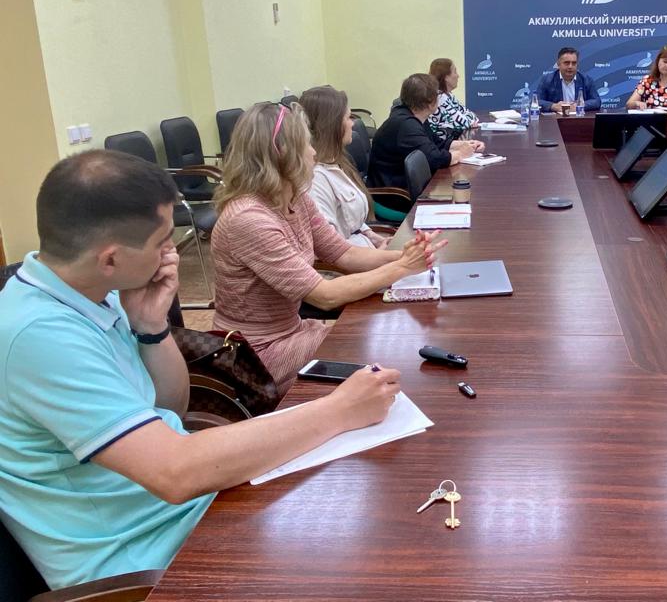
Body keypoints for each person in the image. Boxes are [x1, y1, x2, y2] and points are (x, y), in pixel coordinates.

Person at [0, 150, 403, 590]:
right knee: (364, 559)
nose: (171, 253)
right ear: (110, 258)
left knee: (362, 499)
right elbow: (174, 473)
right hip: (145, 558)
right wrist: (339, 410)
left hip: (186, 507)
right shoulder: (40, 335)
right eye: (162, 243)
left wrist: (151, 328)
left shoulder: (95, 289)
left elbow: (171, 408)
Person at [212, 102, 446, 388]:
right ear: (283, 153)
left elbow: (343, 253)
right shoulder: (249, 219)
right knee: (377, 344)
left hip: (292, 333)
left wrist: (404, 255)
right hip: (255, 355)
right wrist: (402, 267)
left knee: (381, 339)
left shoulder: (294, 197)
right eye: (306, 145)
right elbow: (325, 296)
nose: (313, 152)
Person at [301, 85, 390, 249]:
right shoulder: (315, 180)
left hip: (367, 252)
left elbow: (349, 218)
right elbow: (330, 249)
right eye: (348, 118)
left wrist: (371, 235)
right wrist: (381, 256)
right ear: (333, 125)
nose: (353, 124)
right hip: (358, 261)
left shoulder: (337, 162)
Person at [368, 73, 484, 190]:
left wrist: (466, 144)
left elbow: (436, 142)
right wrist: (461, 154)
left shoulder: (417, 116)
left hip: (406, 186)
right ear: (430, 102)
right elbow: (434, 159)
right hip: (394, 194)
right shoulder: (406, 125)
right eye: (437, 94)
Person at [426, 58, 478, 145]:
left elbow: (470, 115)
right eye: (455, 72)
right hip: (440, 146)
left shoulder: (448, 95)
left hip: (449, 143)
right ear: (446, 77)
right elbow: (466, 123)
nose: (458, 76)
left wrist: (470, 120)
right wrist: (470, 121)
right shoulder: (440, 98)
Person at [535, 47, 601, 112]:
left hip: (579, 117)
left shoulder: (586, 80)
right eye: (566, 63)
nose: (570, 66)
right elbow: (536, 102)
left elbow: (597, 101)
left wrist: (580, 105)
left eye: (574, 63)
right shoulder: (547, 80)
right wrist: (553, 106)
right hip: (556, 118)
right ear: (558, 64)